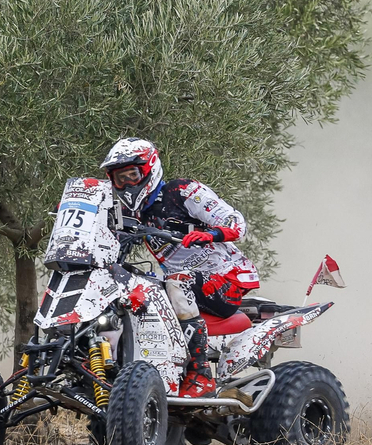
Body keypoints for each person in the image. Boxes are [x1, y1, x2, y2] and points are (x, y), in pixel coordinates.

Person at [99, 137, 260, 398]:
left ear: (149, 169)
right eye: (120, 178)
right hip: (186, 287)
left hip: (226, 280)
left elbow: (236, 222)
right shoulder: (130, 213)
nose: (127, 184)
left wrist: (212, 234)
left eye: (132, 175)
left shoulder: (183, 192)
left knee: (175, 281)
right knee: (137, 290)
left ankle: (201, 373)